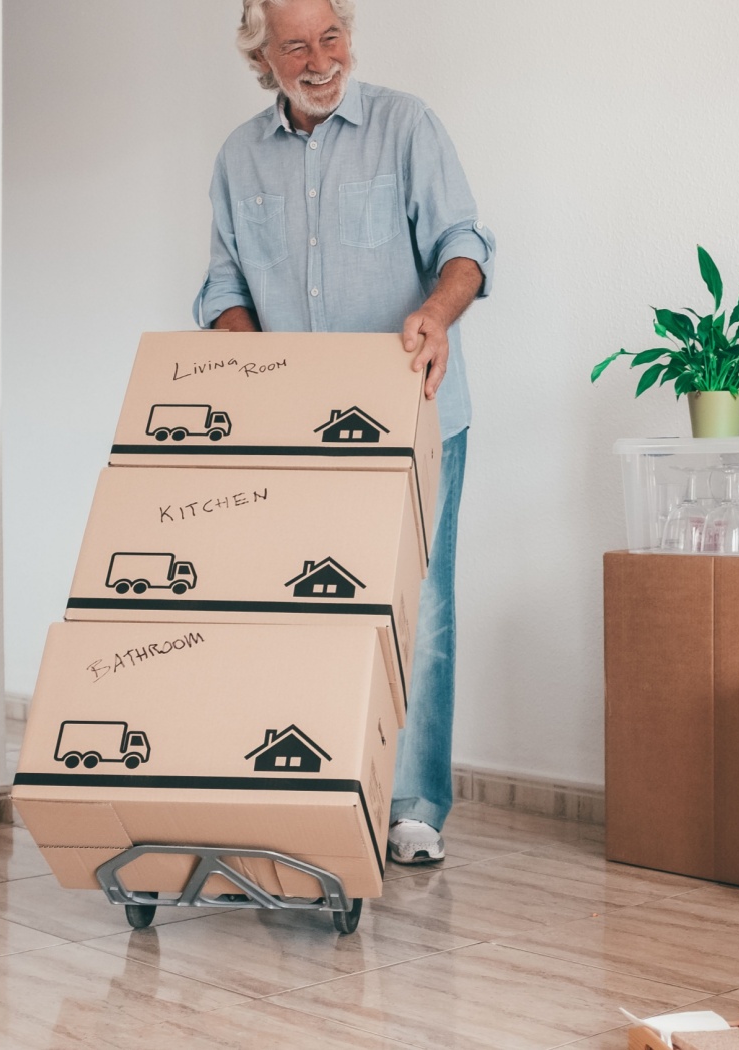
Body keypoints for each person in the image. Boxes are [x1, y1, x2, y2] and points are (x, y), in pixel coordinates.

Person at [196, 0, 496, 865]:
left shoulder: (407, 126)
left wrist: (438, 314)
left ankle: (414, 807)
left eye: (333, 37)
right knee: (303, 605)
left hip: (417, 408)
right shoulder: (237, 158)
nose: (321, 59)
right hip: (297, 431)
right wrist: (257, 369)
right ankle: (315, 789)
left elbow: (464, 243)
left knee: (421, 606)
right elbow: (221, 286)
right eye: (297, 45)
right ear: (264, 57)